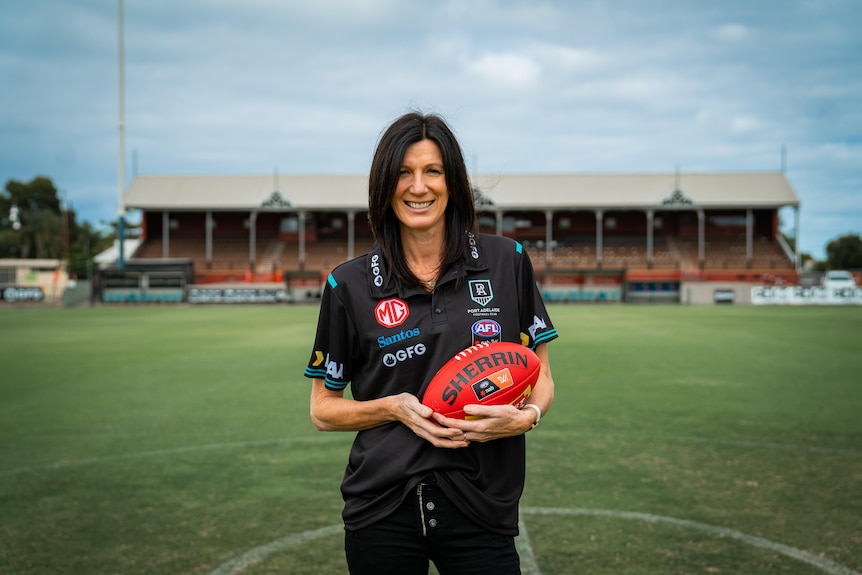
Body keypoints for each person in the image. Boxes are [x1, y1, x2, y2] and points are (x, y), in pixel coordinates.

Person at [305, 111, 558, 575]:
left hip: (482, 506)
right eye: (403, 173)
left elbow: (540, 374)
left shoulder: (508, 261)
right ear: (385, 185)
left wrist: (526, 418)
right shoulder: (348, 284)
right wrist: (393, 407)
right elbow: (322, 408)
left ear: (453, 182)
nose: (418, 187)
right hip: (381, 507)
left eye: (432, 171)